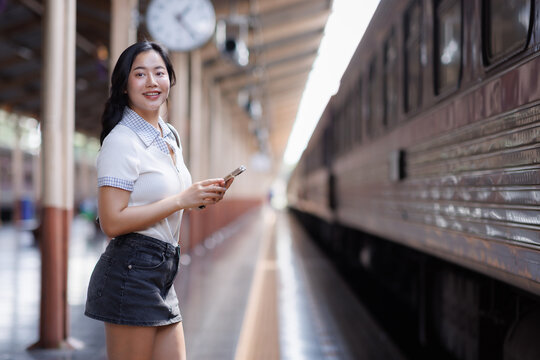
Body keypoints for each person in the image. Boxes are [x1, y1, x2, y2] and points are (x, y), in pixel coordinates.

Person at [84, 41, 230, 360]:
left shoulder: (169, 136)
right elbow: (112, 222)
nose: (151, 82)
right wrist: (181, 200)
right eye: (140, 74)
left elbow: (171, 196)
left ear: (169, 81)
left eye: (159, 73)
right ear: (124, 85)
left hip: (163, 271)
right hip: (131, 271)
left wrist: (199, 196)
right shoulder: (121, 141)